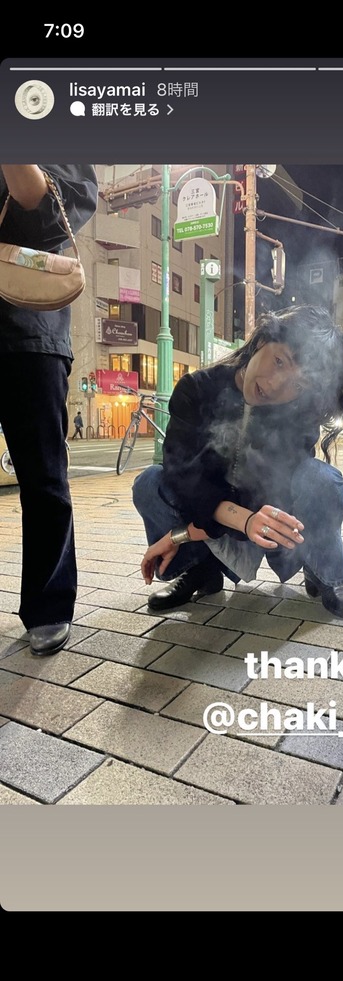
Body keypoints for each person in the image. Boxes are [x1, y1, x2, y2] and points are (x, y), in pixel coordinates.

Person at [133, 304, 343, 619]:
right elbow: (184, 477)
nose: (276, 385)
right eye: (280, 361)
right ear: (262, 341)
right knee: (150, 482)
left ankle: (326, 575)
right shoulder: (196, 389)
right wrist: (238, 519)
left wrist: (180, 534)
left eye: (299, 385)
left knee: (322, 479)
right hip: (222, 521)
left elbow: (272, 490)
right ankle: (200, 571)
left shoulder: (295, 413)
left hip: (273, 530)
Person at [0, 164, 98, 655]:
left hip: (27, 329)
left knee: (43, 478)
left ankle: (48, 604)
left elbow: (48, 216)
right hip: (29, 337)